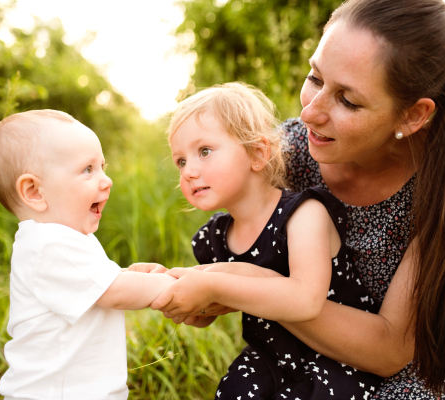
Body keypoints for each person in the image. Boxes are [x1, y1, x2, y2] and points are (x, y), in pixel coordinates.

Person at [159, 0, 445, 398]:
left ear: (413, 115)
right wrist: (190, 289)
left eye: (347, 100)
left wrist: (247, 283)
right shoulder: (288, 150)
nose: (311, 112)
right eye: (315, 77)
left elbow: (389, 350)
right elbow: (244, 249)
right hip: (329, 350)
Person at [152, 82, 383, 399]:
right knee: (233, 392)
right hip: (270, 357)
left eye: (204, 151)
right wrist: (177, 292)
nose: (189, 171)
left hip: (338, 361)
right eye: (181, 161)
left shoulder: (303, 214)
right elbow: (214, 306)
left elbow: (306, 298)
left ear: (258, 153)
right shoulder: (216, 236)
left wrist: (213, 285)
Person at [0, 110, 176, 400]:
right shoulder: (48, 244)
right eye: (88, 169)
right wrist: (175, 284)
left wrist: (129, 275)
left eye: (102, 166)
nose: (106, 180)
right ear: (35, 191)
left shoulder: (64, 239)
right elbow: (114, 293)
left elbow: (99, 286)